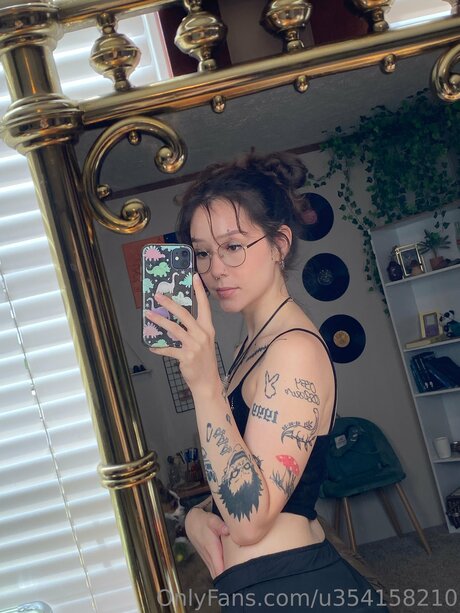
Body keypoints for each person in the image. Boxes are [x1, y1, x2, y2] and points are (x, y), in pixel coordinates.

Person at [147, 151, 388, 611]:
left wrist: (205, 385)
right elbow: (239, 467)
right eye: (202, 252)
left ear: (279, 244)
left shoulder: (293, 349)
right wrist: (196, 516)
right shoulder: (252, 344)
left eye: (233, 246)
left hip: (297, 589)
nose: (215, 268)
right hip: (263, 586)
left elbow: (250, 520)